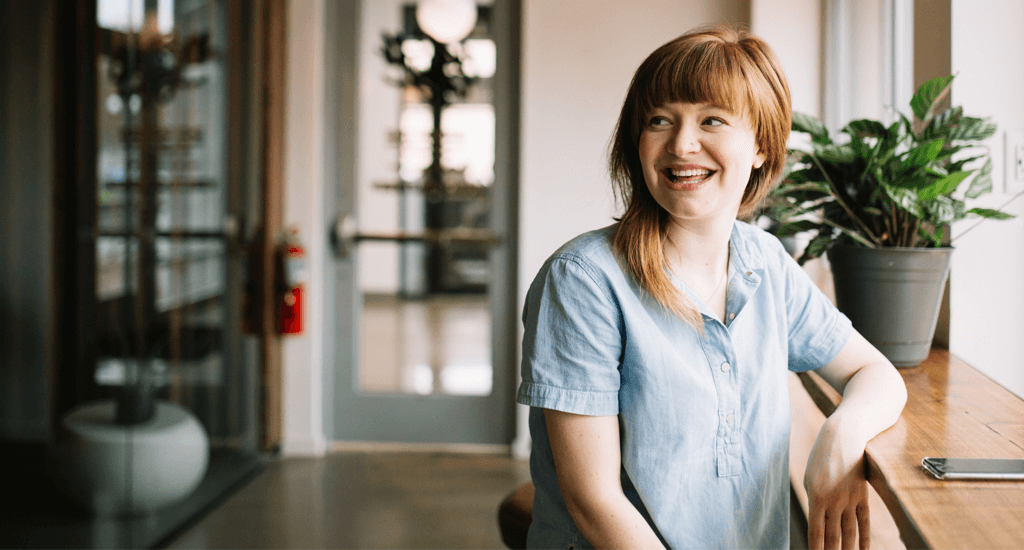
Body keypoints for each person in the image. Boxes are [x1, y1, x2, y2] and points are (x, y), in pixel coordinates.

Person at [516, 25, 907, 550]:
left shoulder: (765, 261)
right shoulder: (582, 280)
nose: (681, 144)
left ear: (762, 146)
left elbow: (875, 373)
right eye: (659, 120)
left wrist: (841, 435)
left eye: (711, 120)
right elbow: (594, 502)